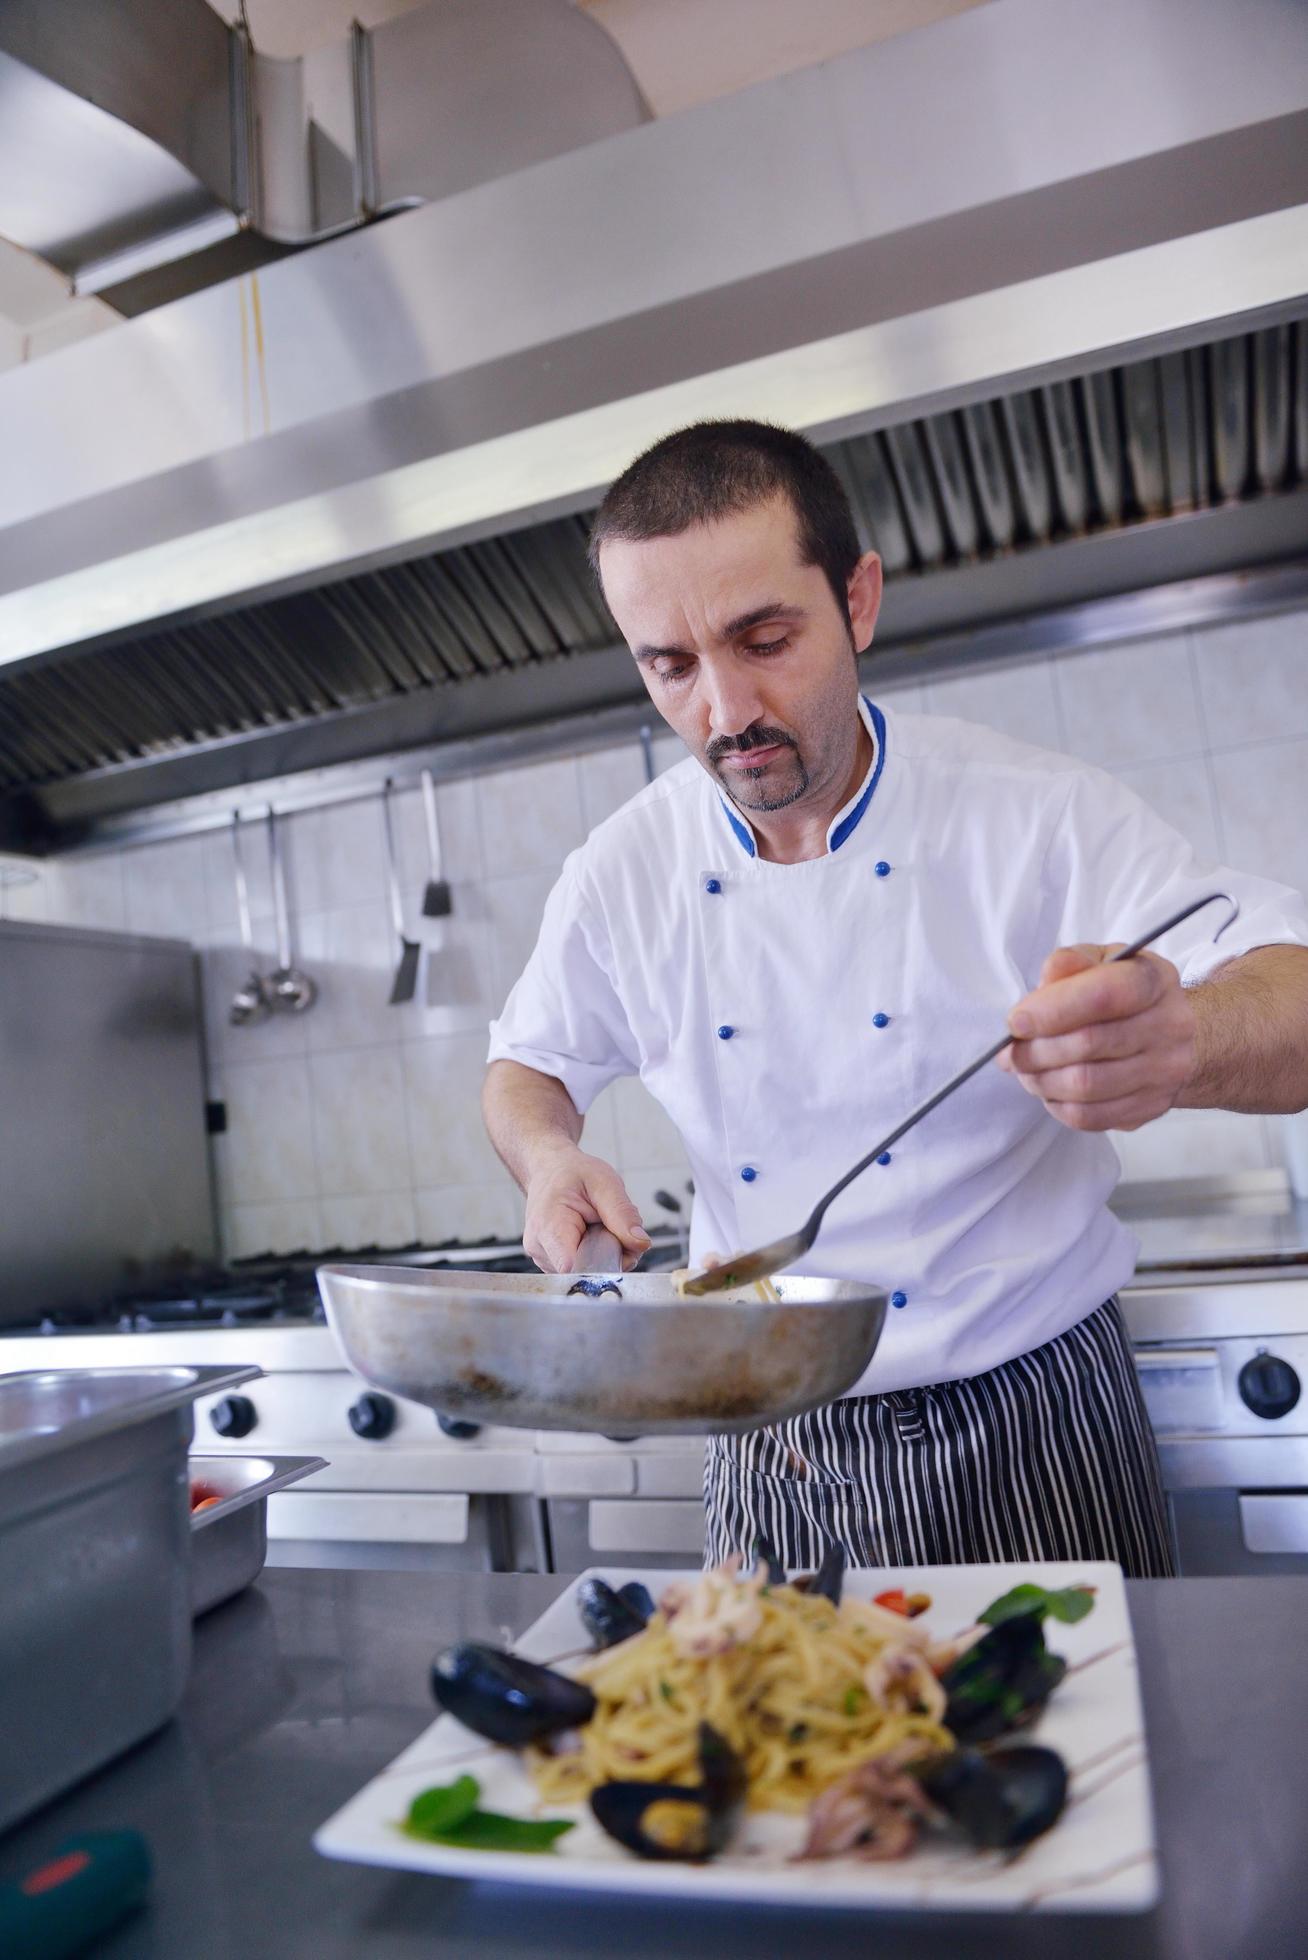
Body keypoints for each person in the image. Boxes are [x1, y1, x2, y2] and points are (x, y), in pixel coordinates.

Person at [483, 419, 1308, 1578]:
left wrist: (1185, 1039)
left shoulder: (1033, 815)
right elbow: (529, 1063)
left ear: (858, 601)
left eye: (764, 637)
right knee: (774, 1756)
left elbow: (1292, 983)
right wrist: (548, 1158)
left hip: (1036, 1420)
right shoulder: (622, 872)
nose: (725, 711)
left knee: (1074, 1753)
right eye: (670, 665)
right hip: (770, 1432)